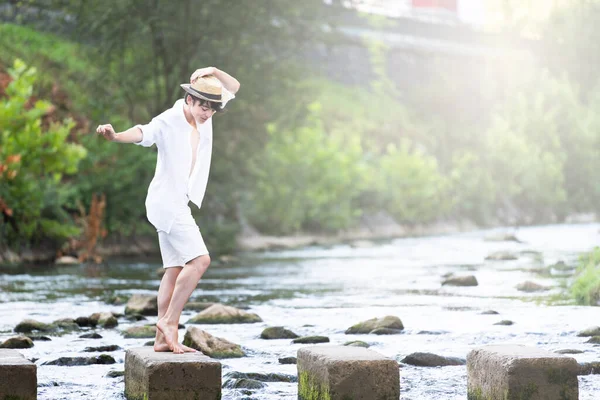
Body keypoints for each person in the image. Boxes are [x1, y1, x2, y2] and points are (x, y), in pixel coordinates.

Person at [96, 67, 240, 354]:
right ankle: (169, 322)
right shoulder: (170, 119)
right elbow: (142, 132)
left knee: (174, 269)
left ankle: (162, 340)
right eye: (202, 106)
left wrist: (212, 70)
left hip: (175, 201)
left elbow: (234, 85)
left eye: (212, 109)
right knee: (200, 261)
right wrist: (114, 137)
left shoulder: (205, 118)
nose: (207, 113)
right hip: (167, 203)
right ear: (189, 99)